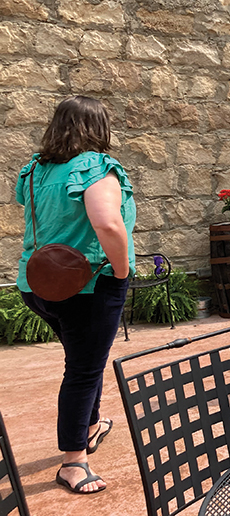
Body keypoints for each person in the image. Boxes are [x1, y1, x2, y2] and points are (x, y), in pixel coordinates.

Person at [16, 96, 136, 495]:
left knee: (84, 359)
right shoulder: (94, 168)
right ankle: (73, 461)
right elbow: (108, 224)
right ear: (98, 128)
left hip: (37, 284)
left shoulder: (36, 169)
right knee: (83, 370)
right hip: (88, 286)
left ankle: (90, 424)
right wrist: (120, 272)